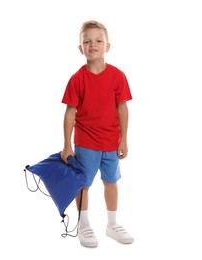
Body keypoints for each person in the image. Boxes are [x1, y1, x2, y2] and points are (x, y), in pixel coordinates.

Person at [61, 20, 133, 248]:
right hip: (86, 143)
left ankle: (112, 224)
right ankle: (84, 224)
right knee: (83, 184)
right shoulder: (77, 79)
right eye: (87, 41)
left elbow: (122, 107)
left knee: (111, 182)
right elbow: (70, 113)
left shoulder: (117, 76)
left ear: (107, 46)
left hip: (111, 142)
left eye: (98, 40)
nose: (93, 45)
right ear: (80, 48)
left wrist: (123, 138)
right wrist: (67, 145)